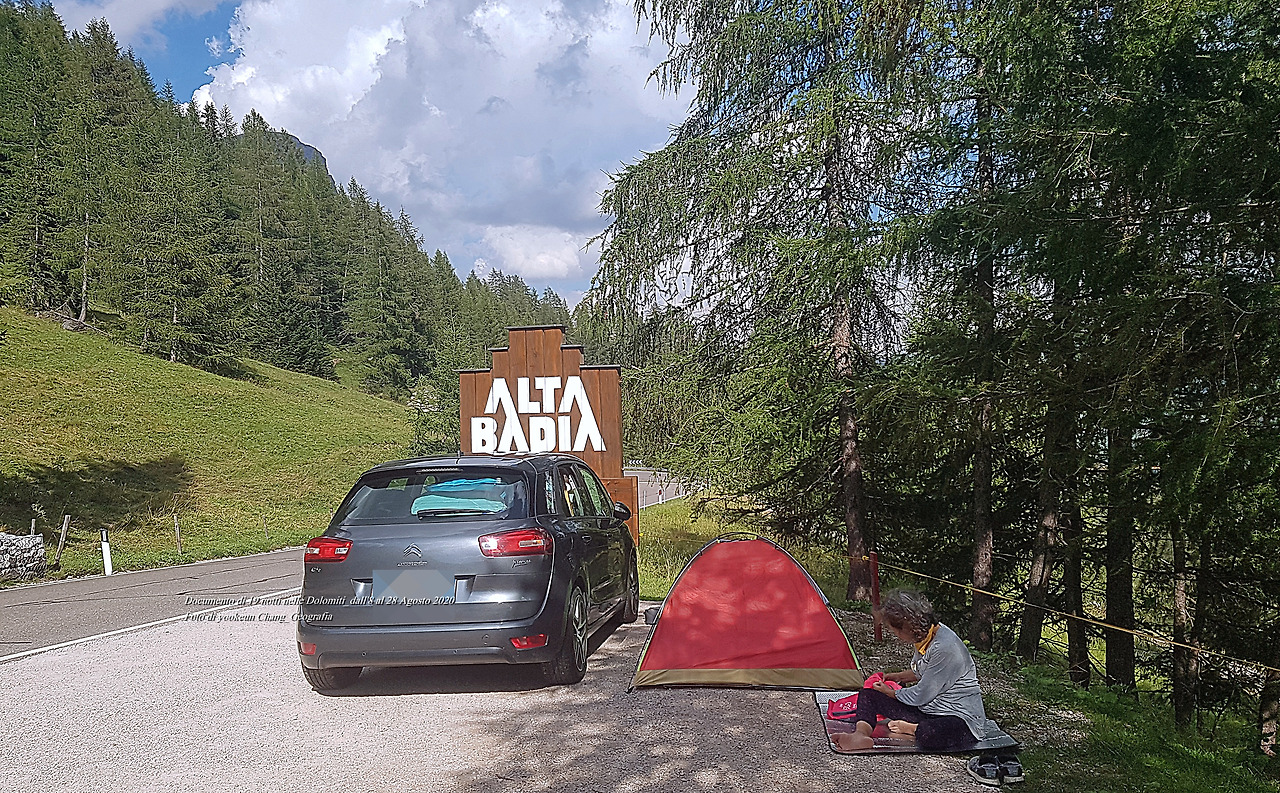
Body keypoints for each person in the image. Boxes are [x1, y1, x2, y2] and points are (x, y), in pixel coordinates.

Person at [833, 589, 997, 752]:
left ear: (907, 627)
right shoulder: (925, 636)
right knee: (869, 696)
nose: (895, 635)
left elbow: (922, 694)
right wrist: (896, 677)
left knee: (929, 733)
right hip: (929, 709)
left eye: (894, 630)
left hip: (959, 717)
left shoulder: (945, 647)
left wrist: (891, 692)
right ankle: (860, 735)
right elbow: (925, 672)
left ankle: (911, 729)